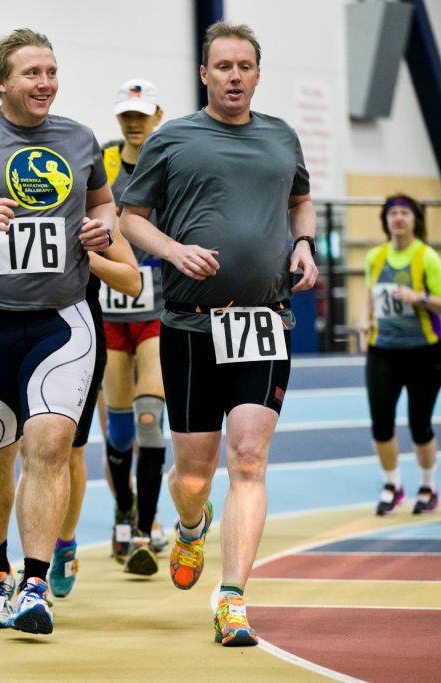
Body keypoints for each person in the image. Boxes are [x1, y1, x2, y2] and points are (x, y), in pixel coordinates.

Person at [119, 22, 318, 648]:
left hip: (264, 320)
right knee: (194, 477)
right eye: (223, 66)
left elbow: (301, 200)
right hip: (190, 324)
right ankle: (189, 525)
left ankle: (232, 599)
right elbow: (130, 218)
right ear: (204, 73)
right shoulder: (173, 138)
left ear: (258, 73)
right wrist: (173, 251)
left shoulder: (281, 137)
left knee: (249, 460)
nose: (234, 76)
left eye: (244, 66)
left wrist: (305, 243)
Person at [0, 28, 116, 635]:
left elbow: (104, 206)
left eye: (51, 71)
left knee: (50, 445)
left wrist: (102, 229)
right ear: (1, 81)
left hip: (62, 320)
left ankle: (35, 586)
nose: (45, 83)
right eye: (31, 73)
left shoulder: (80, 139)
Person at [48, 202, 141, 600]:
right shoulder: (5, 199)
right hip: (13, 332)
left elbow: (132, 281)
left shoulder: (91, 211)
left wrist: (86, 258)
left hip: (79, 338)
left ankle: (64, 545)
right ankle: (27, 560)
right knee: (24, 454)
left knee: (68, 452)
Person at [98, 78, 171, 575]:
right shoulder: (102, 163)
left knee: (149, 418)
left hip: (155, 312)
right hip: (109, 314)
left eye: (141, 115)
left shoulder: (170, 162)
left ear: (158, 116)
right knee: (120, 430)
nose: (133, 123)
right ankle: (123, 510)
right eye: (126, 114)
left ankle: (145, 527)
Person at [359, 194, 441, 516]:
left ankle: (428, 487)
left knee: (419, 423)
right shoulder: (375, 257)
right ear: (386, 221)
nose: (398, 218)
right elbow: (371, 294)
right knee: (381, 423)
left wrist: (419, 297)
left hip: (425, 352)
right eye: (393, 213)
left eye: (404, 213)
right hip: (383, 351)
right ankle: (392, 486)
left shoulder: (426, 257)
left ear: (415, 220)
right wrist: (364, 320)